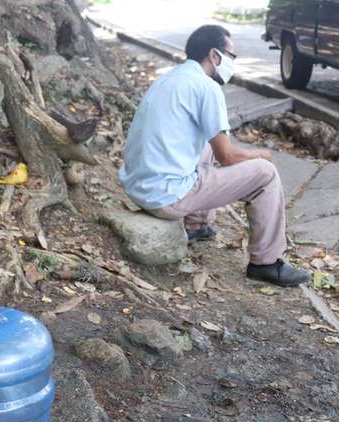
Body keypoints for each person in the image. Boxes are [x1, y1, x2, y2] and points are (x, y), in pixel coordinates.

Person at [118, 24, 309, 287]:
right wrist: (260, 155)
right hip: (164, 196)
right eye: (231, 56)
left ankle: (196, 226)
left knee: (206, 143)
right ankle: (266, 262)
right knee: (266, 174)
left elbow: (215, 150)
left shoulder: (169, 78)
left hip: (138, 185)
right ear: (214, 56)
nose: (232, 63)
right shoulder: (207, 87)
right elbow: (227, 157)